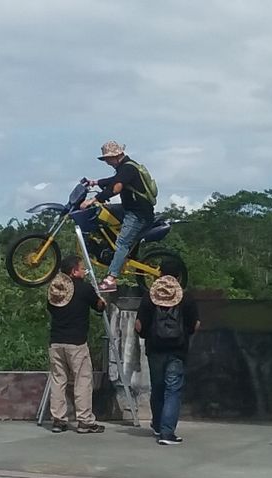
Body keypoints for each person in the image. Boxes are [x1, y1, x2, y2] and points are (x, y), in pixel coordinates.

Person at [134, 259, 199, 445]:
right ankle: (167, 433)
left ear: (160, 274)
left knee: (158, 388)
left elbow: (139, 325)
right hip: (178, 350)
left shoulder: (149, 297)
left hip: (154, 350)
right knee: (173, 389)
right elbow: (195, 324)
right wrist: (186, 334)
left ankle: (157, 425)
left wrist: (146, 334)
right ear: (179, 277)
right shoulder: (187, 298)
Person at [80, 140, 155, 292]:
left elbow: (116, 187)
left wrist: (94, 199)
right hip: (128, 208)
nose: (106, 161)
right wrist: (94, 182)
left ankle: (111, 279)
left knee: (122, 242)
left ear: (117, 155)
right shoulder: (124, 167)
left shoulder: (128, 168)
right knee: (102, 212)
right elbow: (114, 179)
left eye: (108, 158)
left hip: (138, 213)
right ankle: (108, 248)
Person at [47, 255, 106, 433]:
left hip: (56, 342)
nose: (84, 272)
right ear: (74, 271)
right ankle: (85, 420)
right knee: (82, 380)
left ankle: (58, 420)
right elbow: (99, 306)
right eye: (82, 268)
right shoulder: (84, 288)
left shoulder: (55, 289)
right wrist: (101, 300)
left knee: (58, 380)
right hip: (77, 343)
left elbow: (50, 308)